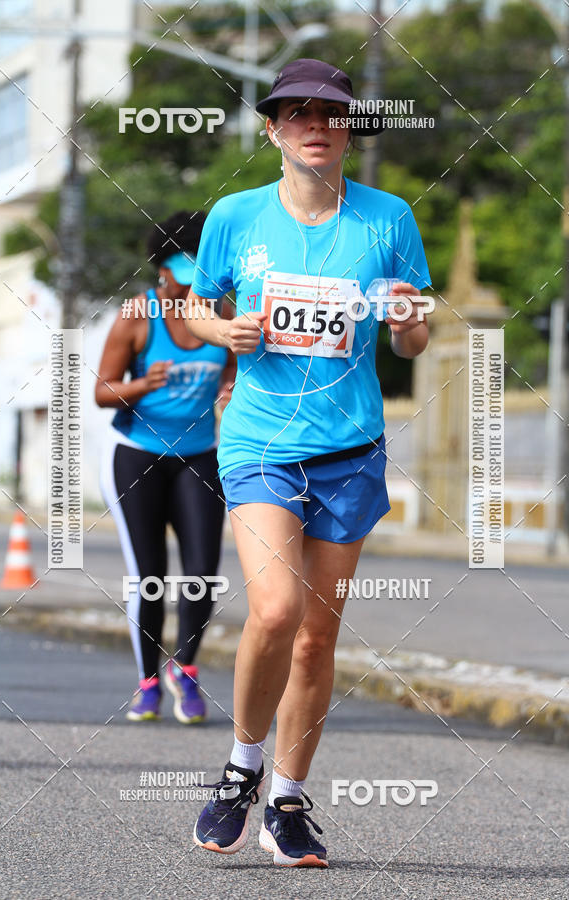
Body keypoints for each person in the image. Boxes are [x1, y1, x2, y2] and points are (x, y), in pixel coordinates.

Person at [185, 59, 432, 866]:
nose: (313, 125)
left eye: (328, 113)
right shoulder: (235, 215)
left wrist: (405, 323)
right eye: (294, 114)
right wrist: (221, 332)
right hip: (259, 440)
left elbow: (414, 334)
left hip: (351, 448)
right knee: (275, 611)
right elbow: (193, 304)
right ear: (272, 131)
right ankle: (239, 768)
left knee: (318, 640)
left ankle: (287, 801)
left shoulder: (389, 219)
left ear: (350, 127)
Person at [95, 211, 235, 724]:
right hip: (139, 458)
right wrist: (142, 385)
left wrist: (229, 389)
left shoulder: (221, 313)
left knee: (202, 573)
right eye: (184, 259)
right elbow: (101, 391)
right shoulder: (137, 314)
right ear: (163, 265)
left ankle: (187, 671)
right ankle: (148, 681)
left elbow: (234, 373)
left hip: (200, 457)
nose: (193, 269)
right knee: (150, 576)